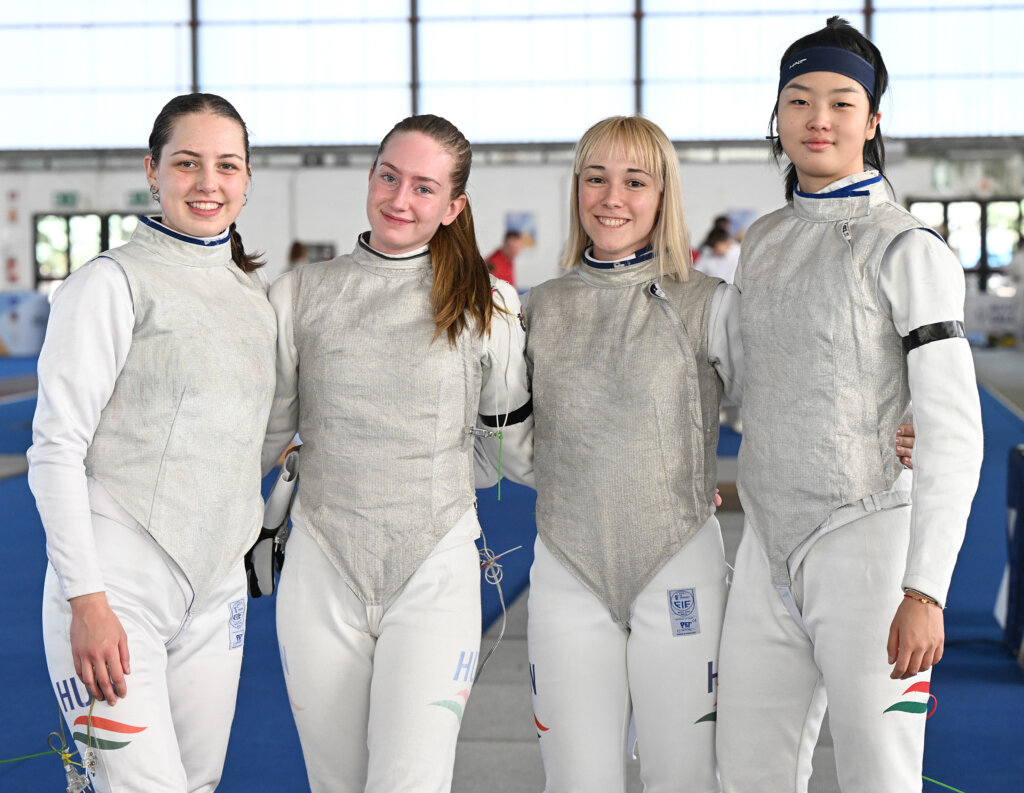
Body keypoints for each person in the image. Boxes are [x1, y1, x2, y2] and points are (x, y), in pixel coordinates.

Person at [715, 17, 984, 793]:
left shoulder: (907, 246)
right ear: (777, 114)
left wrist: (924, 589)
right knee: (748, 773)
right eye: (798, 100)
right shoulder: (764, 241)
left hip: (870, 545)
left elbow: (953, 430)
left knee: (879, 777)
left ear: (872, 122)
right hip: (766, 546)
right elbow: (743, 384)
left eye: (841, 102)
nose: (818, 119)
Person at [261, 114, 532, 793]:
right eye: (389, 177)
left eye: (423, 187)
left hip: (435, 566)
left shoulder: (488, 304)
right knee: (336, 782)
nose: (400, 199)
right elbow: (261, 436)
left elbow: (513, 445)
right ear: (371, 175)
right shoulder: (300, 293)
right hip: (322, 564)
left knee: (409, 781)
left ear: (454, 206)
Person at [28, 93, 276, 792]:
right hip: (116, 588)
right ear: (153, 171)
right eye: (187, 163)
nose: (208, 183)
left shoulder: (254, 298)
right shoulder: (108, 284)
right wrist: (87, 601)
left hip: (216, 589)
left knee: (197, 783)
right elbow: (54, 450)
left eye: (226, 165)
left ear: (247, 178)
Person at [521, 115, 742, 793]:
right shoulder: (538, 308)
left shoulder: (707, 303)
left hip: (677, 560)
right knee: (575, 781)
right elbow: (505, 437)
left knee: (684, 778)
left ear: (663, 194)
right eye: (596, 178)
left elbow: (780, 408)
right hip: (567, 566)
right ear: (576, 189)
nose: (612, 197)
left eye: (634, 181)